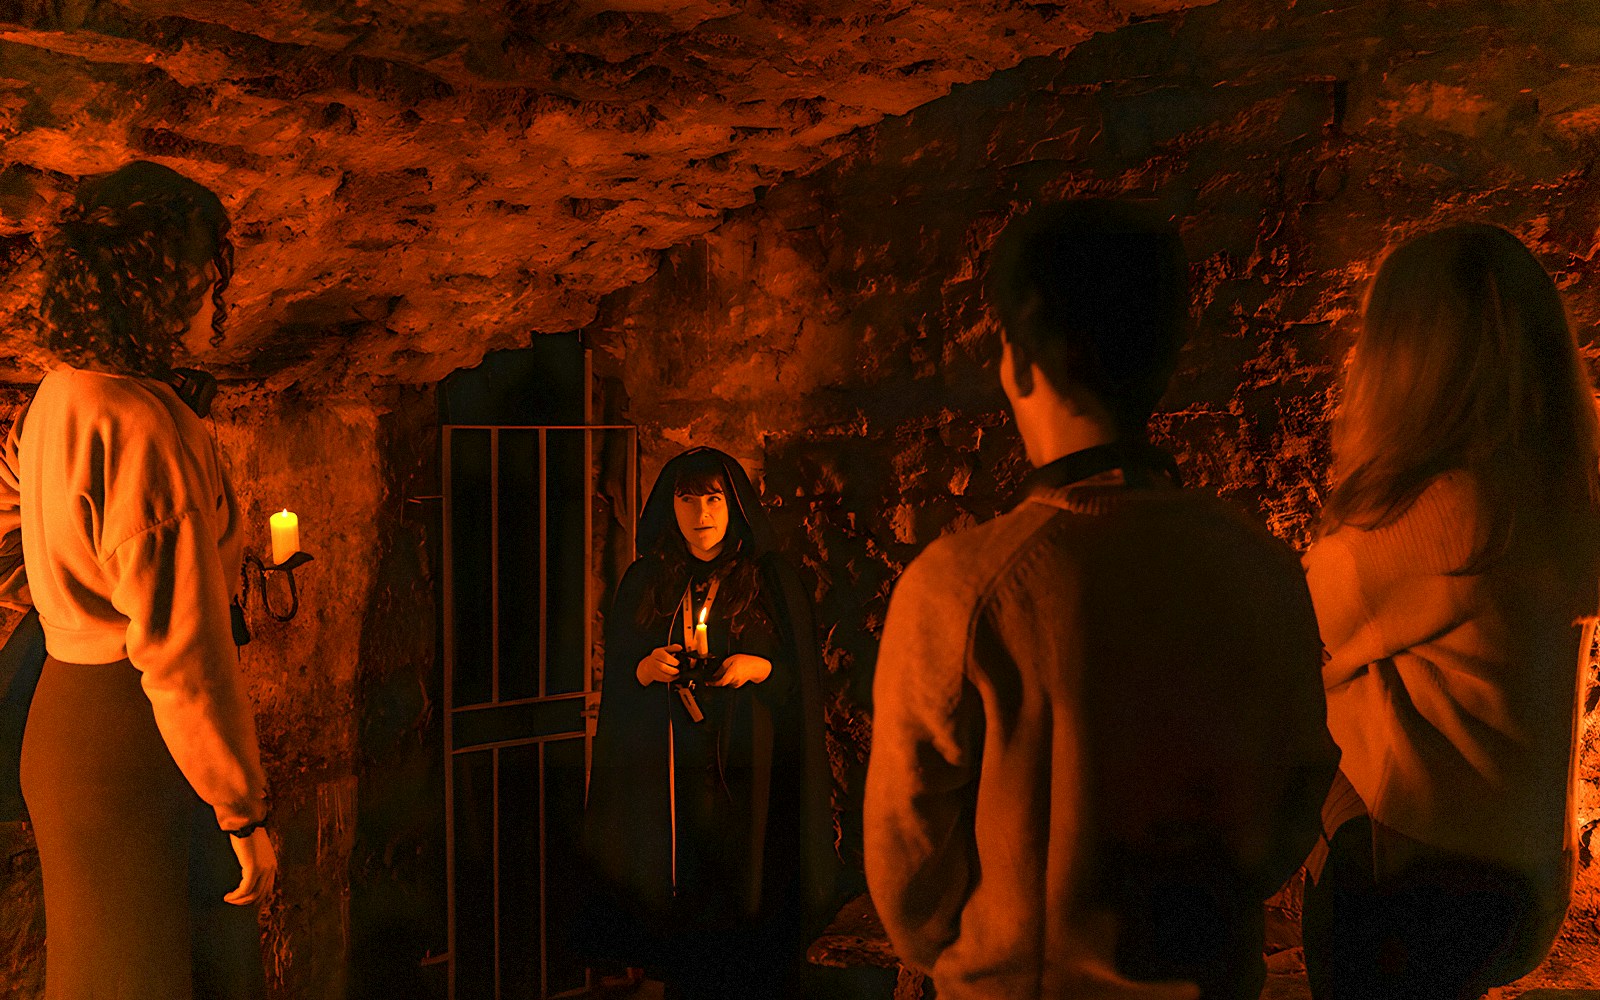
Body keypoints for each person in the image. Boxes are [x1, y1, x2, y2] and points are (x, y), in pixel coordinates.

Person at [864, 199, 1339, 1000]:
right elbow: (1297, 795)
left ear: (1017, 364)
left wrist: (991, 945)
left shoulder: (961, 588)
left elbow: (907, 867)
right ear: (1165, 356)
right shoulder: (1261, 569)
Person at [1300, 223, 1600, 1000]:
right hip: (1528, 876)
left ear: (1409, 360)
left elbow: (1291, 639)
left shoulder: (1438, 520)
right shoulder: (1561, 493)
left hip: (1417, 888)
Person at [0, 160, 275, 1000]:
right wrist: (243, 810)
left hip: (65, 720)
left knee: (107, 971)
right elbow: (183, 654)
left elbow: (15, 505)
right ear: (146, 283)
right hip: (133, 740)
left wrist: (54, 588)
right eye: (198, 274)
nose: (211, 299)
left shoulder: (59, 393)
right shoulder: (144, 424)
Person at [581, 446, 833, 1000]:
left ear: (734, 502)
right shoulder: (648, 580)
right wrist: (646, 670)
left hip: (751, 765)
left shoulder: (771, 578)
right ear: (669, 506)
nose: (701, 514)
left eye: (714, 498)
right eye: (687, 499)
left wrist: (759, 666)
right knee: (687, 882)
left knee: (748, 881)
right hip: (675, 770)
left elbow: (801, 682)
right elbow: (623, 678)